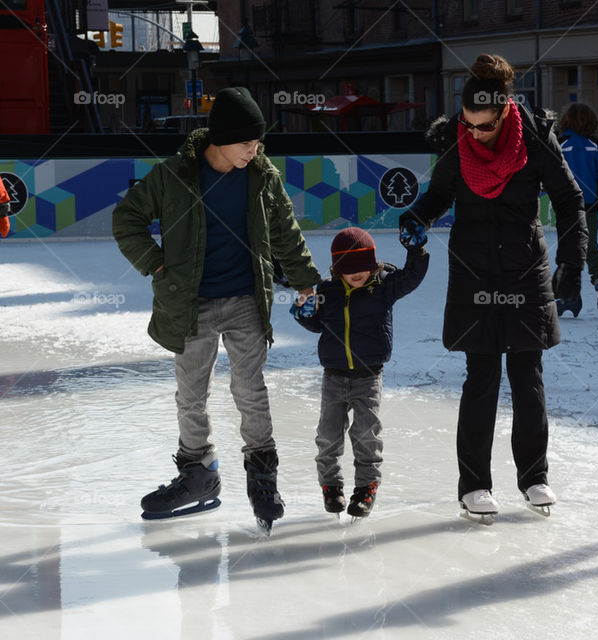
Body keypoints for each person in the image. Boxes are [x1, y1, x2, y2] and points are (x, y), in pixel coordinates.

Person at [113, 87, 321, 533]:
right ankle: (198, 474)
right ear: (220, 140)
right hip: (191, 304)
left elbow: (285, 229)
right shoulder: (174, 176)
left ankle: (262, 476)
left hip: (247, 299)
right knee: (191, 394)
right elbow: (127, 218)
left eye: (258, 142)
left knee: (250, 389)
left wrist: (304, 281)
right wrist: (155, 262)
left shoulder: (262, 176)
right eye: (247, 142)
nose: (255, 149)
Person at [398, 53, 587, 522]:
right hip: (473, 269)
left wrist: (572, 263)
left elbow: (569, 199)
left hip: (525, 267)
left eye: (484, 126)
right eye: (468, 124)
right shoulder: (455, 140)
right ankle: (474, 486)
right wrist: (417, 217)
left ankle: (535, 477)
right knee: (481, 378)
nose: (474, 133)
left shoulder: (536, 138)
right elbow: (440, 194)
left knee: (528, 377)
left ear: (505, 113)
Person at [291, 227, 429, 519]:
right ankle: (331, 485)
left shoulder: (382, 288)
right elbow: (319, 325)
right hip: (334, 376)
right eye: (349, 269)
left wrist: (417, 251)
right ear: (337, 269)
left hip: (368, 377)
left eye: (363, 268)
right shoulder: (329, 291)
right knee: (328, 435)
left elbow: (412, 278)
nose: (357, 275)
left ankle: (366, 487)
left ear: (373, 265)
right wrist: (304, 315)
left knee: (367, 434)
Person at [557, 102, 598, 317]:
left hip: (566, 207)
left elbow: (551, 171)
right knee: (590, 248)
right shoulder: (594, 145)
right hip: (589, 206)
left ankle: (569, 297)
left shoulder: (560, 144)